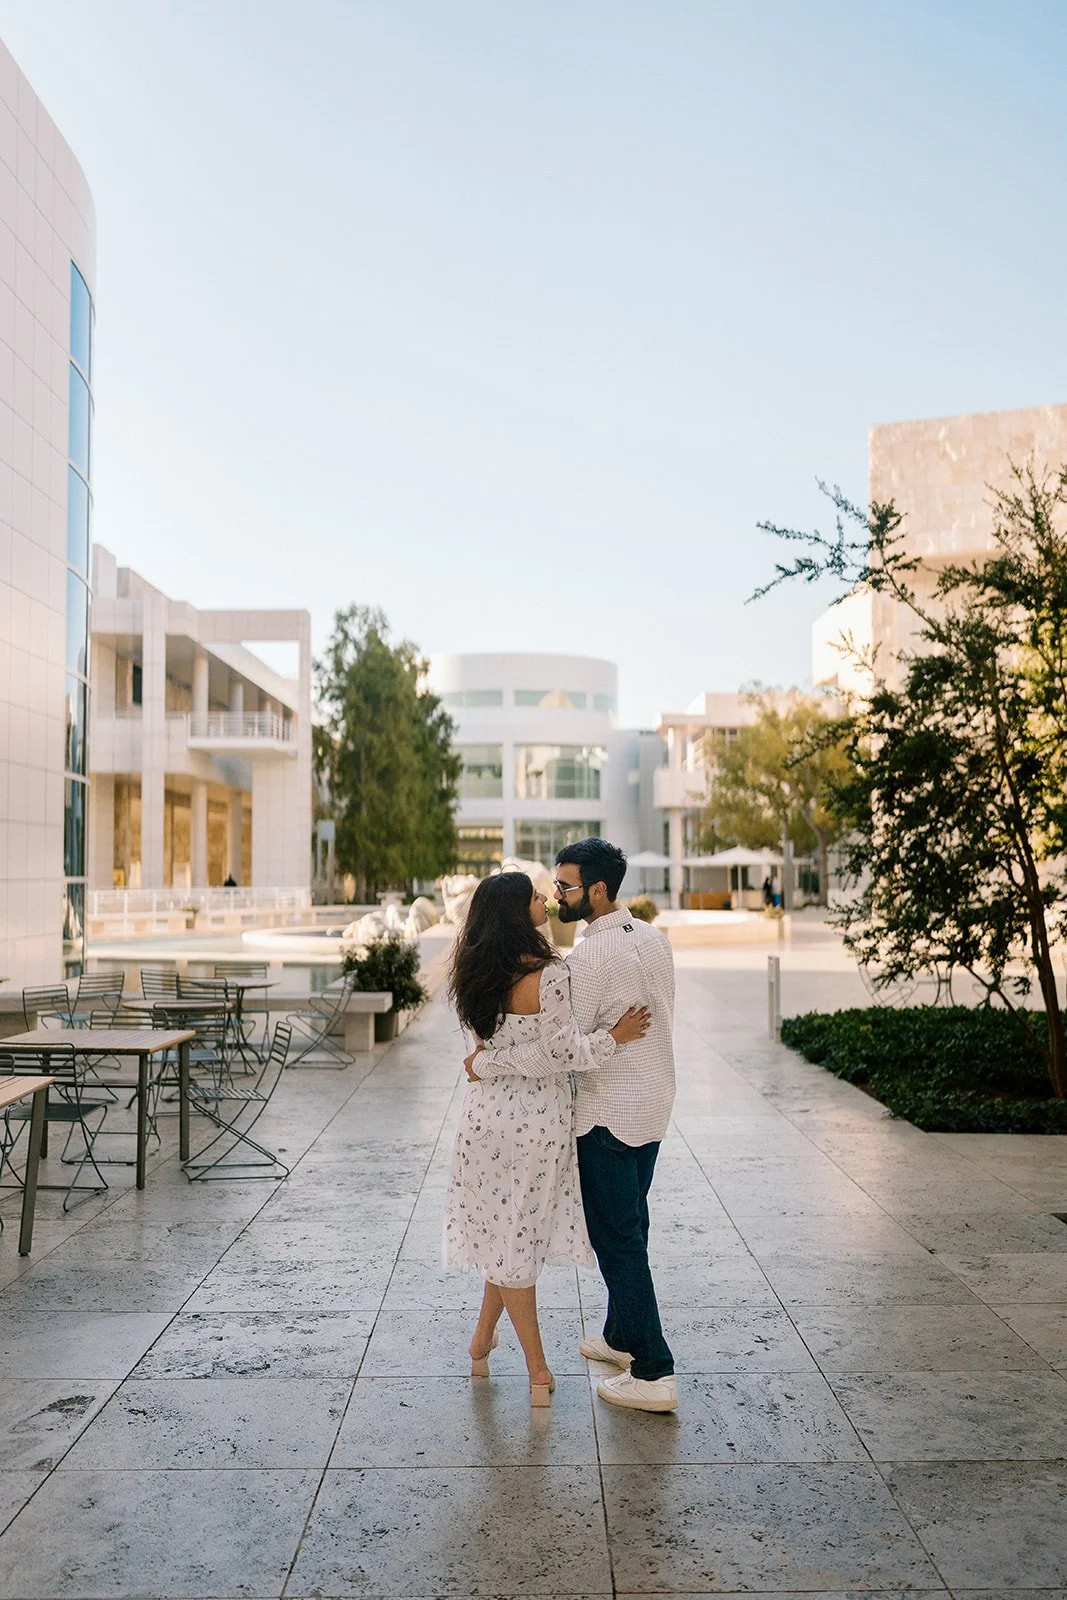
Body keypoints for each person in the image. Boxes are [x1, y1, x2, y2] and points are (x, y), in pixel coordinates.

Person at [475, 837, 677, 1413]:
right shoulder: (656, 942)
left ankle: (655, 1372)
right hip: (655, 1104)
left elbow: (560, 1052)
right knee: (631, 1223)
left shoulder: (587, 962)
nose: (556, 895)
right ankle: (621, 1337)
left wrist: (488, 1062)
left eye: (564, 886)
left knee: (618, 1241)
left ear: (597, 890)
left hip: (606, 1114)